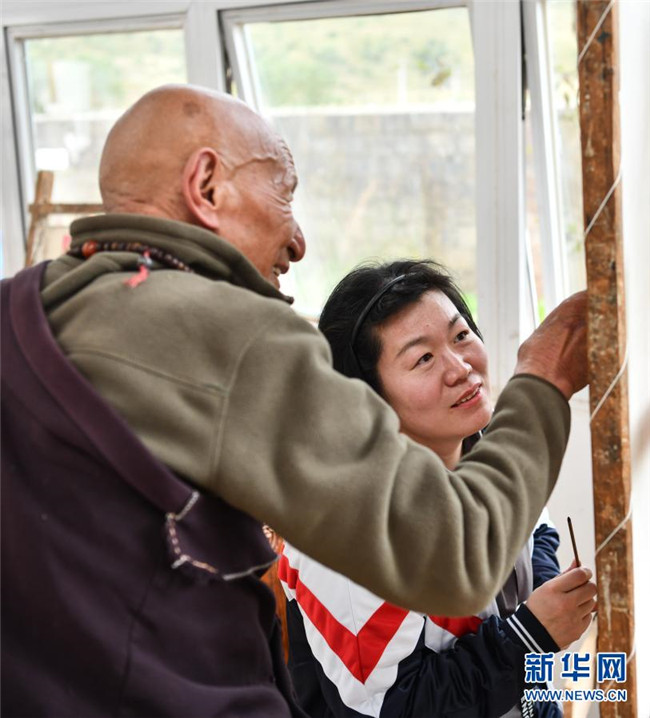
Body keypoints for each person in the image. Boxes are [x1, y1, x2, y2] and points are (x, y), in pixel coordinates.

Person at [1, 84, 591, 717]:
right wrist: (544, 379)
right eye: (284, 193)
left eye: (462, 336)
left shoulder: (21, 312)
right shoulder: (230, 340)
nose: (299, 241)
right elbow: (459, 559)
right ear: (206, 186)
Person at [280, 260, 595, 718]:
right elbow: (397, 707)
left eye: (461, 335)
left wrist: (546, 595)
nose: (460, 367)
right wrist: (530, 636)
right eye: (423, 359)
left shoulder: (483, 446)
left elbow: (535, 531)